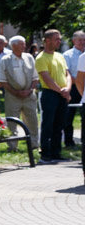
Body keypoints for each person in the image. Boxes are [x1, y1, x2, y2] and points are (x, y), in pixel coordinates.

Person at [35, 28, 71, 162]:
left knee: (60, 124)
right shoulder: (41, 57)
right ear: (47, 40)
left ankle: (56, 152)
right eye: (57, 39)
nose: (59, 42)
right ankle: (45, 153)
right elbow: (47, 79)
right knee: (48, 124)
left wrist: (67, 88)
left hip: (62, 93)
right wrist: (62, 91)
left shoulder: (60, 56)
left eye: (60, 39)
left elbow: (67, 74)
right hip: (50, 94)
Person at [0, 35, 38, 153]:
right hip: (12, 96)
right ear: (14, 46)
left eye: (24, 43)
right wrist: (16, 92)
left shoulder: (29, 57)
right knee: (12, 122)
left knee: (32, 120)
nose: (24, 46)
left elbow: (35, 78)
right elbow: (2, 81)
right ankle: (12, 146)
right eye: (21, 44)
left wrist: (29, 90)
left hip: (29, 95)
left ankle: (34, 145)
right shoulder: (5, 60)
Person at [61, 29, 84, 148]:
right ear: (73, 41)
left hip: (84, 88)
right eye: (80, 40)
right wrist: (78, 81)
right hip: (74, 87)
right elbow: (67, 72)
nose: (82, 42)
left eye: (84, 40)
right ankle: (69, 142)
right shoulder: (67, 55)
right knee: (69, 115)